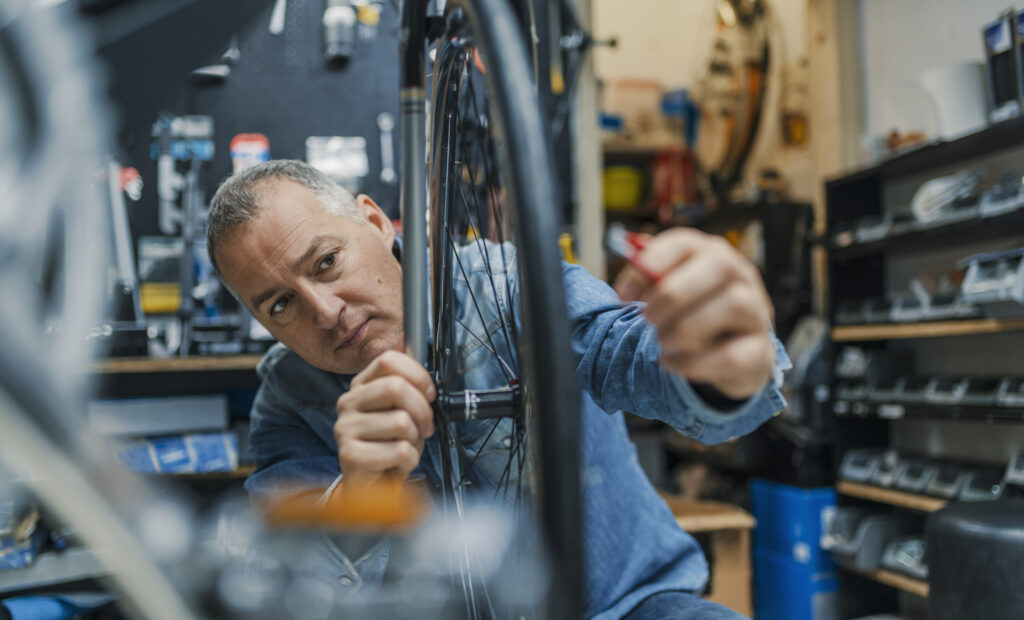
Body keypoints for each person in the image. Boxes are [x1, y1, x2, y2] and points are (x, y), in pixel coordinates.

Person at [207, 159, 790, 619]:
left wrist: (719, 364)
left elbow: (628, 353)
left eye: (327, 261)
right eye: (280, 304)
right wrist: (360, 492)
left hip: (627, 608)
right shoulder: (287, 401)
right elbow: (290, 585)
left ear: (377, 223)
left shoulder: (511, 288)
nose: (326, 312)